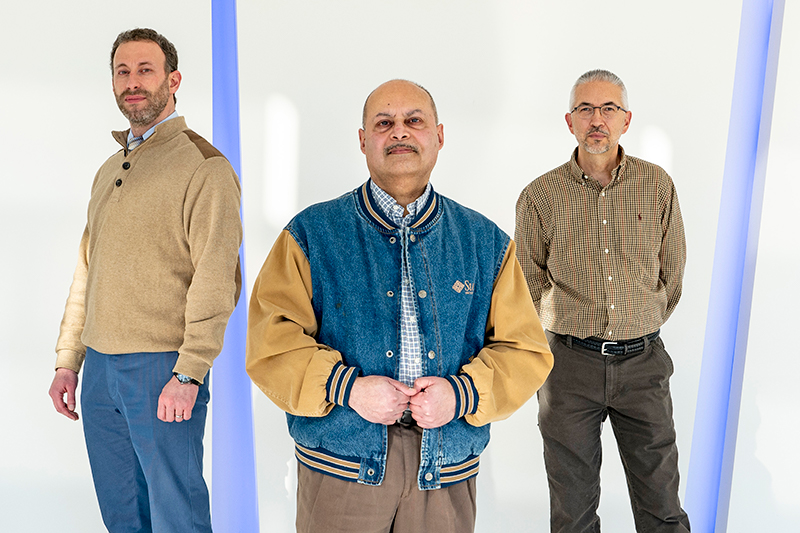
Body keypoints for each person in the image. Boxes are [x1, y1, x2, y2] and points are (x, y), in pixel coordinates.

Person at [246, 79, 553, 533]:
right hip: (340, 466)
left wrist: (461, 394)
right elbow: (270, 340)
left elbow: (525, 349)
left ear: (439, 135)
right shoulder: (311, 234)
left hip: (445, 470)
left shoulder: (485, 243)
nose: (400, 133)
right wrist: (347, 388)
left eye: (414, 121)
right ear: (363, 140)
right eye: (384, 123)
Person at [48, 28, 242, 533]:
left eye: (145, 70)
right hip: (99, 373)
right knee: (121, 515)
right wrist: (69, 360)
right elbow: (87, 271)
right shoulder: (109, 169)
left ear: (173, 80)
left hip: (162, 369)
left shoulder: (205, 168)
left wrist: (189, 372)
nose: (132, 82)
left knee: (176, 515)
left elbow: (217, 278)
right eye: (122, 71)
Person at [515, 69, 691, 532]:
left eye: (609, 108)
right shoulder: (540, 196)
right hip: (568, 369)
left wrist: (639, 326)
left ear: (626, 120)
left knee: (662, 507)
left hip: (643, 365)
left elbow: (671, 277)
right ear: (569, 121)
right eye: (586, 109)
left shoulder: (657, 186)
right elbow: (528, 282)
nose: (598, 119)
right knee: (572, 512)